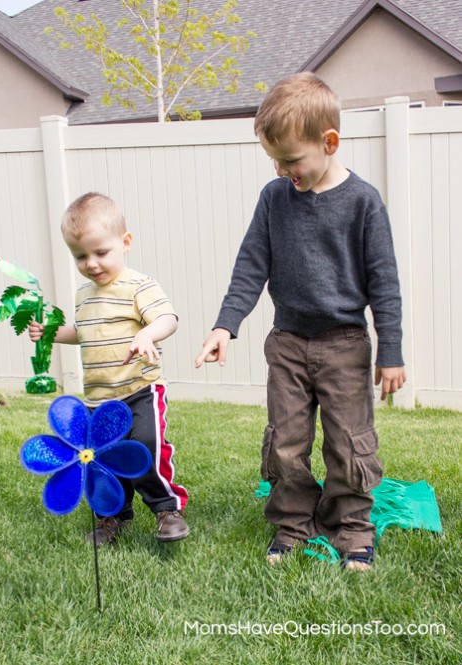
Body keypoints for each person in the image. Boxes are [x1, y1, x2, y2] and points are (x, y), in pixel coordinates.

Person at [195, 73, 405, 571]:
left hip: (346, 344)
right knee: (285, 443)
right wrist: (226, 325)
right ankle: (292, 524)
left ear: (329, 142)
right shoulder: (274, 198)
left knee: (348, 442)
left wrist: (390, 350)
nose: (282, 169)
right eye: (274, 159)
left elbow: (385, 282)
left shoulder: (363, 202)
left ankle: (352, 529)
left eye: (291, 159)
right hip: (287, 342)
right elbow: (251, 265)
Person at [30, 192, 189, 546]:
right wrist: (52, 333)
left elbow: (168, 318)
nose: (92, 263)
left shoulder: (138, 285)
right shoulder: (83, 295)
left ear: (125, 242)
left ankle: (167, 508)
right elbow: (83, 333)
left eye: (101, 252)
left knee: (145, 447)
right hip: (99, 399)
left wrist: (148, 333)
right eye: (80, 256)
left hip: (140, 389)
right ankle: (111, 516)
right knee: (103, 459)